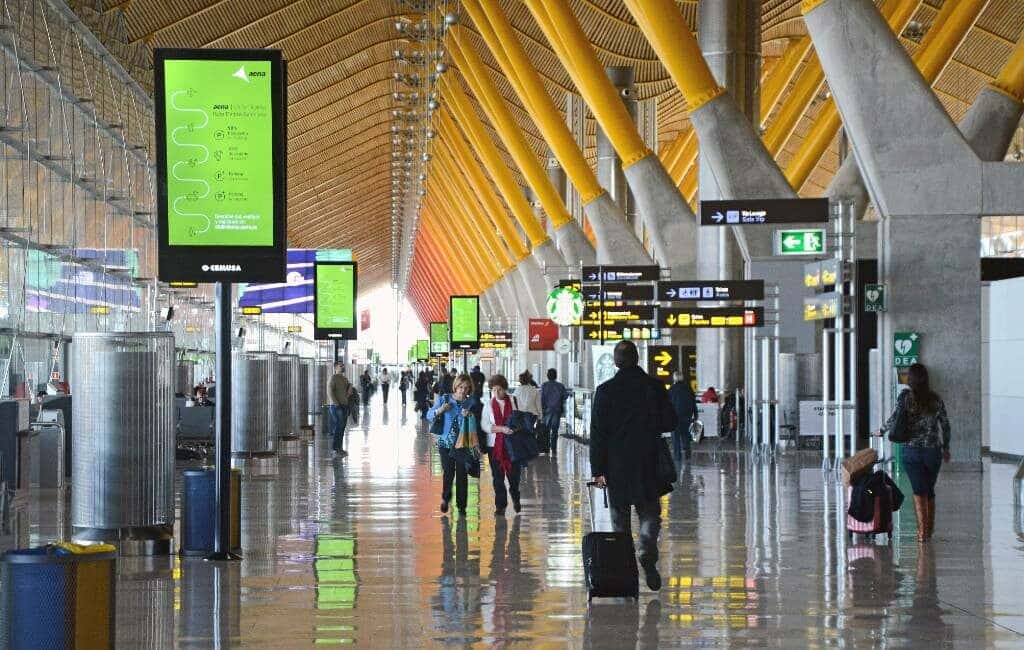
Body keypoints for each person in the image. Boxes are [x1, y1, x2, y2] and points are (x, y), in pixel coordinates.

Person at [590, 341, 677, 592]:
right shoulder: (654, 387)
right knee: (650, 514)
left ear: (616, 362)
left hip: (616, 466)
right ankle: (647, 552)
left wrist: (598, 471)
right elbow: (670, 421)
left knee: (620, 521)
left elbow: (598, 435)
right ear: (638, 359)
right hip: (648, 463)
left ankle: (625, 569)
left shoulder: (605, 391)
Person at [873, 363, 950, 542]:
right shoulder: (936, 400)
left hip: (911, 451)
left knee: (918, 490)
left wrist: (882, 430)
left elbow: (895, 418)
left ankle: (923, 533)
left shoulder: (905, 398)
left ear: (911, 379)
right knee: (929, 489)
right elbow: (945, 425)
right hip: (933, 452)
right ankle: (928, 531)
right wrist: (946, 447)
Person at [426, 374, 481, 515]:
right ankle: (446, 498)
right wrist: (441, 410)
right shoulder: (445, 399)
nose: (462, 391)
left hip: (463, 444)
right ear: (455, 386)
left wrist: (470, 415)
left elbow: (478, 423)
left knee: (462, 475)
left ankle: (462, 506)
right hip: (445, 443)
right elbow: (429, 414)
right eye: (460, 387)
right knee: (448, 472)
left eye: (466, 388)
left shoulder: (471, 403)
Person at [481, 374, 523, 516]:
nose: (496, 393)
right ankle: (501, 505)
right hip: (495, 446)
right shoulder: (488, 404)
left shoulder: (514, 401)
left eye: (499, 389)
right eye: (493, 390)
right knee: (498, 478)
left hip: (513, 445)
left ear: (505, 389)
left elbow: (521, 420)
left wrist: (514, 429)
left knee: (514, 477)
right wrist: (502, 429)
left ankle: (515, 497)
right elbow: (485, 425)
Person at [668, 371, 697, 463]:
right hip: (686, 417)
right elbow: (693, 403)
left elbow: (668, 404)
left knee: (676, 438)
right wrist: (695, 415)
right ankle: (688, 456)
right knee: (686, 437)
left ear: (674, 378)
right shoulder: (688, 388)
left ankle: (678, 458)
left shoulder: (672, 389)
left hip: (674, 417)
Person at [328, 362, 354, 457]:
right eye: (340, 366)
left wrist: (350, 388)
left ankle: (339, 448)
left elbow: (348, 393)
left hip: (344, 405)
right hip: (336, 406)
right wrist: (336, 404)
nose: (343, 367)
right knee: (339, 427)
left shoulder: (344, 379)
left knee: (342, 428)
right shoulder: (333, 378)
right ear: (335, 368)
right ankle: (335, 449)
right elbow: (330, 391)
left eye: (343, 365)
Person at [540, 368, 569, 455]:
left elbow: (542, 398)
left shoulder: (544, 385)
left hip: (546, 410)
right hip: (557, 410)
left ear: (547, 376)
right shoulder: (560, 386)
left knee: (546, 430)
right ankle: (554, 448)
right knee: (555, 430)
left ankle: (546, 448)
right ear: (556, 376)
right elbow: (565, 396)